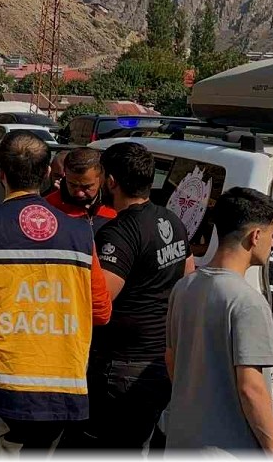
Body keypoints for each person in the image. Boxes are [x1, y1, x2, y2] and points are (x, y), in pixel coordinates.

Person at [0, 130, 112, 455]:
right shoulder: (80, 232)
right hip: (64, 386)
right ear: (50, 172)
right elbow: (102, 312)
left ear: (3, 176)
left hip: (0, 382)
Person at [74, 142, 192, 450]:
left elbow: (99, 300)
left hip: (122, 366)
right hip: (159, 359)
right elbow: (188, 279)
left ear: (110, 181)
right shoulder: (172, 221)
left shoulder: (119, 233)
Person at [165, 187, 273, 456]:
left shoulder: (185, 287)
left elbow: (172, 360)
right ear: (255, 236)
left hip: (182, 441)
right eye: (272, 233)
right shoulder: (248, 302)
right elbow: (251, 389)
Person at [46, 147, 116, 229]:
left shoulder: (117, 205)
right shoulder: (48, 208)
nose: (79, 193)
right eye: (72, 185)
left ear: (102, 178)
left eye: (86, 187)